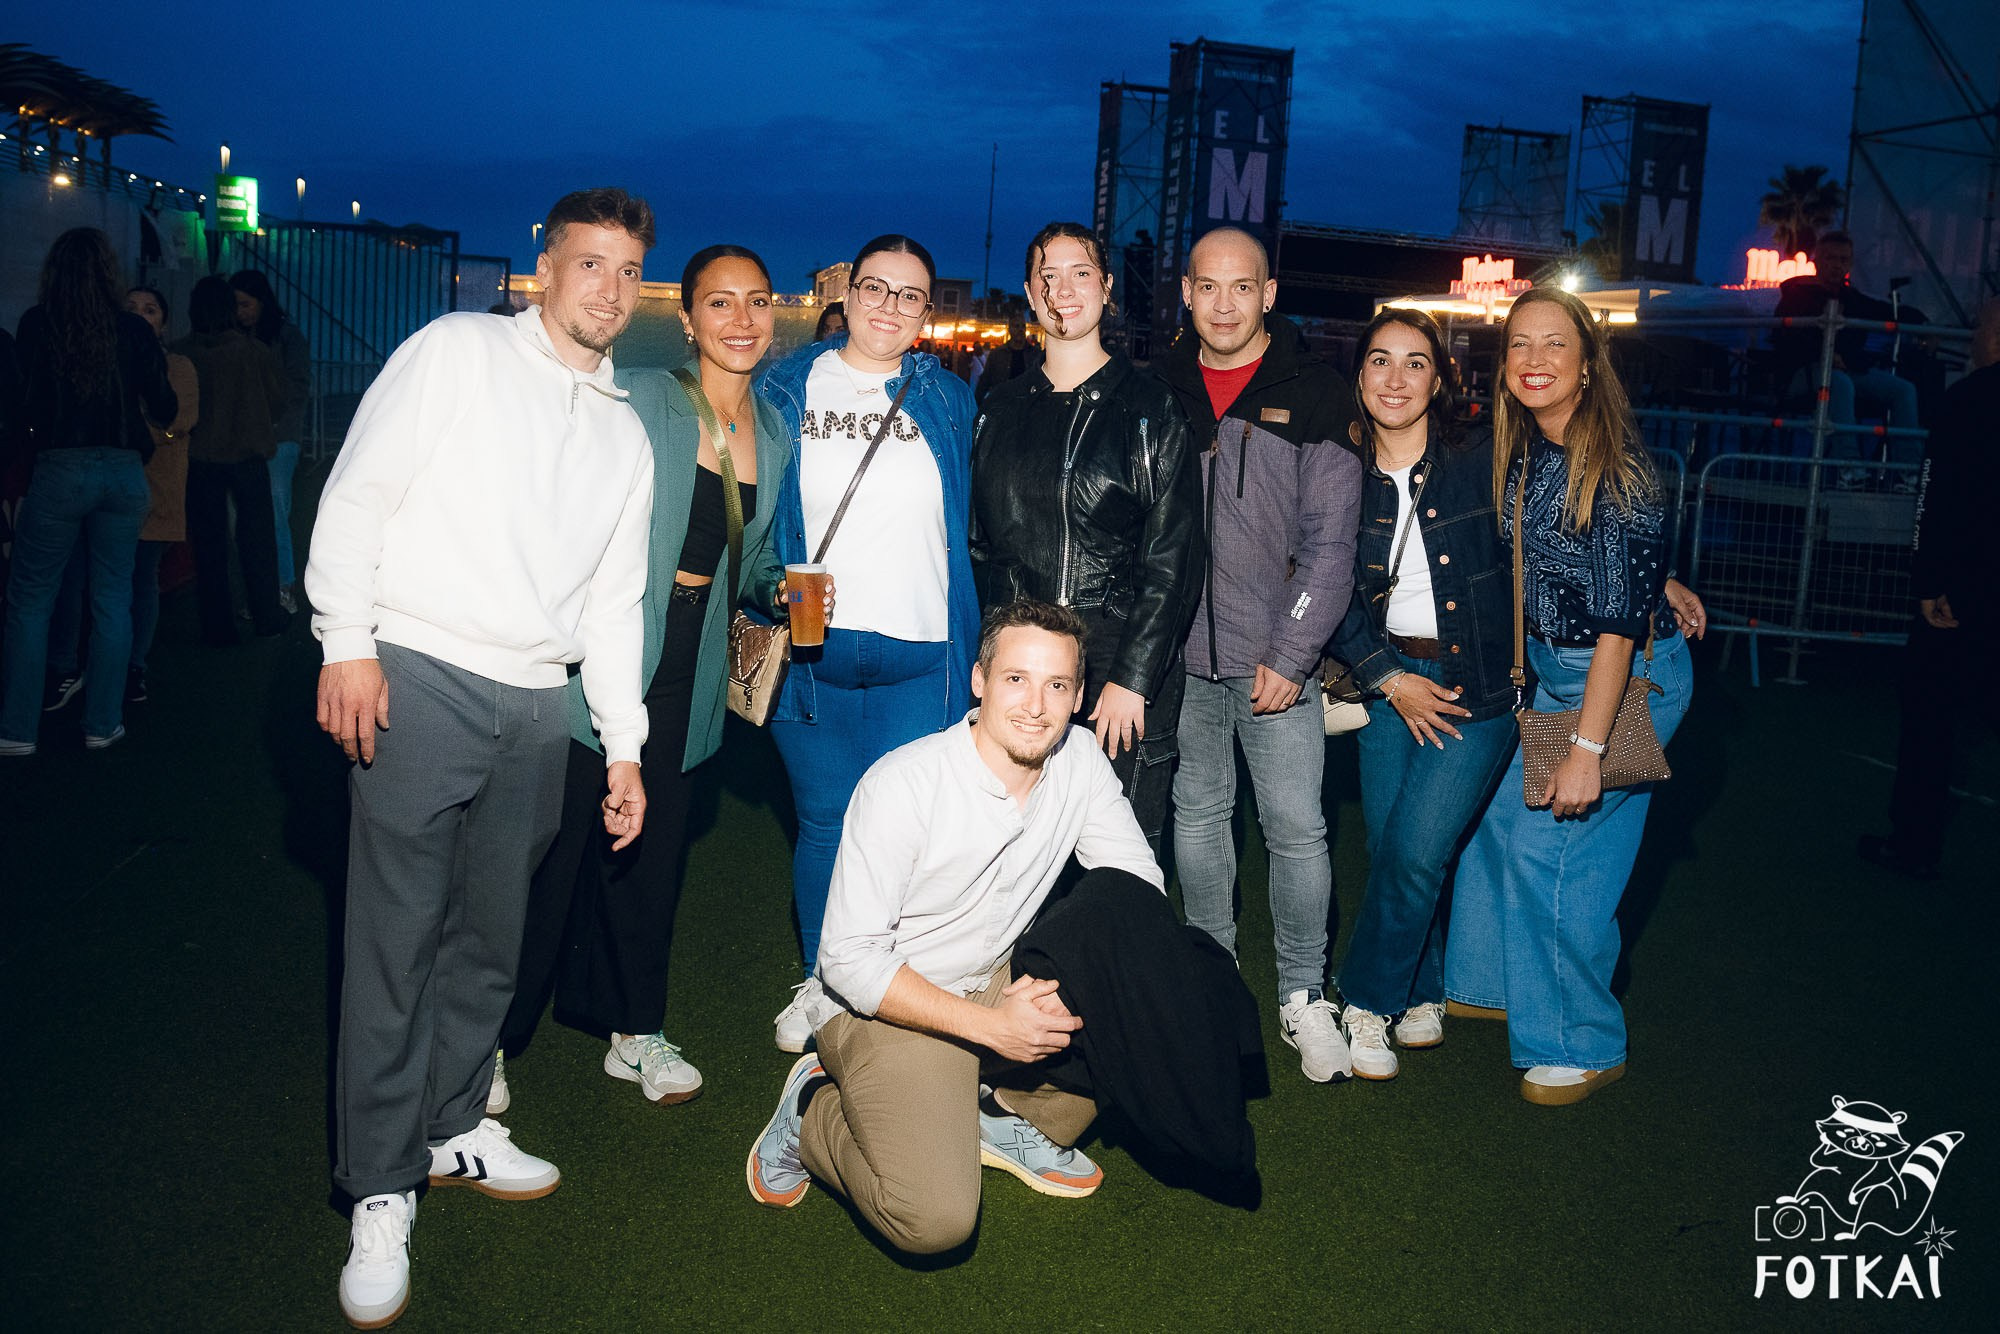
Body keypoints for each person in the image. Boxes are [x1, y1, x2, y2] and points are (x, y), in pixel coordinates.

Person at [310, 188, 656, 1329]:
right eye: (588, 263)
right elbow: (357, 493)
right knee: (394, 938)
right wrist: (347, 642)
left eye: (624, 270)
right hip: (419, 673)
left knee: (489, 938)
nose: (606, 288)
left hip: (538, 703)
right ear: (543, 266)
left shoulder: (621, 431)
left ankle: (455, 1123)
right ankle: (379, 1184)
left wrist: (623, 744)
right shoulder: (456, 351)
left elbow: (613, 604)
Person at [744, 600, 1162, 1254]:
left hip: (989, 977)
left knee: (1137, 997)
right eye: (1015, 679)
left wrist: (1076, 976)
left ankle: (991, 1111)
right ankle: (812, 1111)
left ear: (1080, 697)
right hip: (880, 1006)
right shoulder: (905, 785)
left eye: (1056, 685)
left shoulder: (1079, 760)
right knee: (935, 1221)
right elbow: (850, 962)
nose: (1034, 704)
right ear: (979, 681)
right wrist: (993, 1028)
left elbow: (1136, 883)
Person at [499, 244, 790, 1111]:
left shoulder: (771, 432)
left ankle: (634, 1027)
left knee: (652, 851)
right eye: (720, 304)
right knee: (548, 855)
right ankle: (491, 1037)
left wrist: (781, 586)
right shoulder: (649, 399)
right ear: (690, 319)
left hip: (696, 659)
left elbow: (757, 554)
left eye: (757, 302)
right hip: (614, 643)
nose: (742, 321)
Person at [1443, 285, 1695, 1107]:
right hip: (1559, 673)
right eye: (1521, 345)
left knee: (1552, 848)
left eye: (1556, 345)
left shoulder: (1616, 463)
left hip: (1621, 681)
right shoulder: (1529, 450)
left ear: (1588, 365)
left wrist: (1587, 751)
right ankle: (1493, 984)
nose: (1536, 360)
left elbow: (1619, 631)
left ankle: (1583, 1041)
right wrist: (1661, 570)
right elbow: (1590, 551)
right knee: (1492, 824)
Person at [754, 234, 980, 1054]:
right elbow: (755, 520)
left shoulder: (950, 399)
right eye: (875, 289)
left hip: (923, 651)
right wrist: (770, 580)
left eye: (909, 295)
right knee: (823, 826)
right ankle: (820, 981)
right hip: (814, 652)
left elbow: (972, 525)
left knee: (903, 839)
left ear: (927, 313)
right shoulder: (785, 385)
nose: (889, 307)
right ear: (847, 293)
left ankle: (894, 987)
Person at [1158, 226, 1361, 1082]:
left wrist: (1294, 650)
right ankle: (1215, 982)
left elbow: (1330, 546)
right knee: (1197, 821)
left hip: (1278, 663)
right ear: (1186, 291)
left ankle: (1304, 997)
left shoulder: (1314, 392)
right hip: (1179, 662)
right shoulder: (1159, 384)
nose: (1226, 304)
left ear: (1269, 293)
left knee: (1297, 832)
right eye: (1210, 286)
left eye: (1243, 287)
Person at [0, 228, 174, 757]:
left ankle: (17, 730)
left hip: (58, 468)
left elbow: (21, 406)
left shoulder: (35, 325)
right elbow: (164, 407)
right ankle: (102, 723)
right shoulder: (133, 332)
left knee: (31, 600)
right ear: (108, 274)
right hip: (122, 473)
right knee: (113, 598)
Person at [1857, 298, 2000, 878]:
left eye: (1983, 325)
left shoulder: (1969, 399)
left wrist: (1930, 580)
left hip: (1968, 590)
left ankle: (1912, 843)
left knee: (1930, 715)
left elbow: (1937, 498)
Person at [1772, 231, 1922, 473]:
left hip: (1847, 372)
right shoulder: (1794, 297)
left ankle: (1910, 470)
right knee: (1839, 383)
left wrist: (1925, 325)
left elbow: (1889, 311)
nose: (1836, 265)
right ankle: (1849, 467)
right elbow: (1784, 339)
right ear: (1816, 261)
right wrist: (1823, 355)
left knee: (1903, 389)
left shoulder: (1853, 299)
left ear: (1849, 264)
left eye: (1842, 259)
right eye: (1830, 258)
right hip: (1801, 375)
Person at [123, 287, 199, 702]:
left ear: (164, 322)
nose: (139, 316)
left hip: (157, 483)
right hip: (117, 483)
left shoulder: (178, 365)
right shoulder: (108, 360)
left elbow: (182, 420)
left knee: (142, 577)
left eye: (149, 310)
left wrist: (136, 434)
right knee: (117, 580)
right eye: (130, 308)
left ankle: (135, 664)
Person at [231, 270, 311, 611]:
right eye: (236, 305)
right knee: (250, 514)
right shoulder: (243, 338)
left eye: (246, 304)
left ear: (262, 302)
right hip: (252, 435)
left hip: (278, 435)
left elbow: (297, 386)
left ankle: (280, 587)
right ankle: (264, 589)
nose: (240, 311)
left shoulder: (286, 337)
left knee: (274, 508)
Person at [973, 313, 1040, 406]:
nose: (1020, 330)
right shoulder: (997, 354)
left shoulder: (1035, 354)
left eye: (1023, 326)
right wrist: (977, 406)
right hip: (1002, 406)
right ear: (1009, 329)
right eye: (1016, 326)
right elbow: (984, 382)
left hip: (1027, 407)